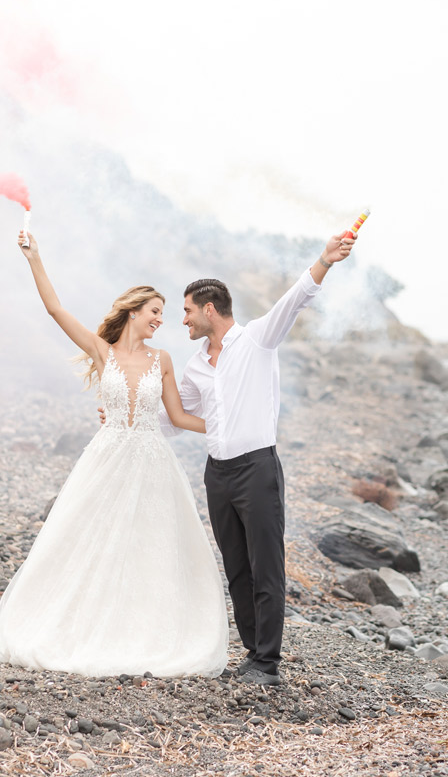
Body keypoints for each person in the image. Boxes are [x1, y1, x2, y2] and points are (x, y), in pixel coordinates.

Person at [0, 230, 228, 678]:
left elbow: (176, 415)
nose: (161, 320)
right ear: (134, 311)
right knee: (87, 540)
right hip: (108, 457)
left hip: (153, 462)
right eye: (156, 312)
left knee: (149, 548)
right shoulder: (103, 351)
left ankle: (146, 632)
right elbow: (56, 309)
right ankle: (78, 625)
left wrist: (230, 426)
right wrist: (35, 257)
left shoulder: (165, 359)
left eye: (166, 314)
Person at [163, 230, 357, 686]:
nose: (183, 320)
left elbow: (295, 299)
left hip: (257, 469)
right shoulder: (193, 366)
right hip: (218, 475)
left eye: (187, 310)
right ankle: (251, 653)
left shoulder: (256, 340)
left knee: (266, 564)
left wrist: (324, 260)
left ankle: (268, 662)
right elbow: (174, 418)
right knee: (236, 567)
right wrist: (126, 418)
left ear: (210, 309)